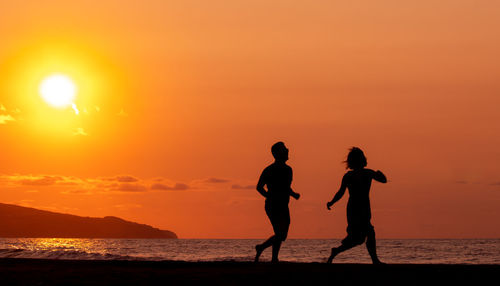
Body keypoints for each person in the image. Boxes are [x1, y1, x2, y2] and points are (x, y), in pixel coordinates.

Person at [326, 147, 387, 264]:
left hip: (361, 208)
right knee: (368, 233)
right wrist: (332, 202)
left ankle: (336, 251)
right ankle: (374, 260)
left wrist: (380, 174)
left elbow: (383, 180)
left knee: (359, 239)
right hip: (356, 209)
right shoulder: (356, 175)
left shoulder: (365, 173)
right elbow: (340, 192)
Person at [254, 142, 300, 262]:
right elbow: (259, 187)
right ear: (277, 153)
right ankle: (262, 247)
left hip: (284, 204)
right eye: (284, 149)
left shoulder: (289, 170)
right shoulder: (269, 170)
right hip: (273, 205)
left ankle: (274, 258)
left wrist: (293, 194)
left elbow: (285, 187)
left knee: (280, 233)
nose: (287, 150)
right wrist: (269, 196)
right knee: (280, 233)